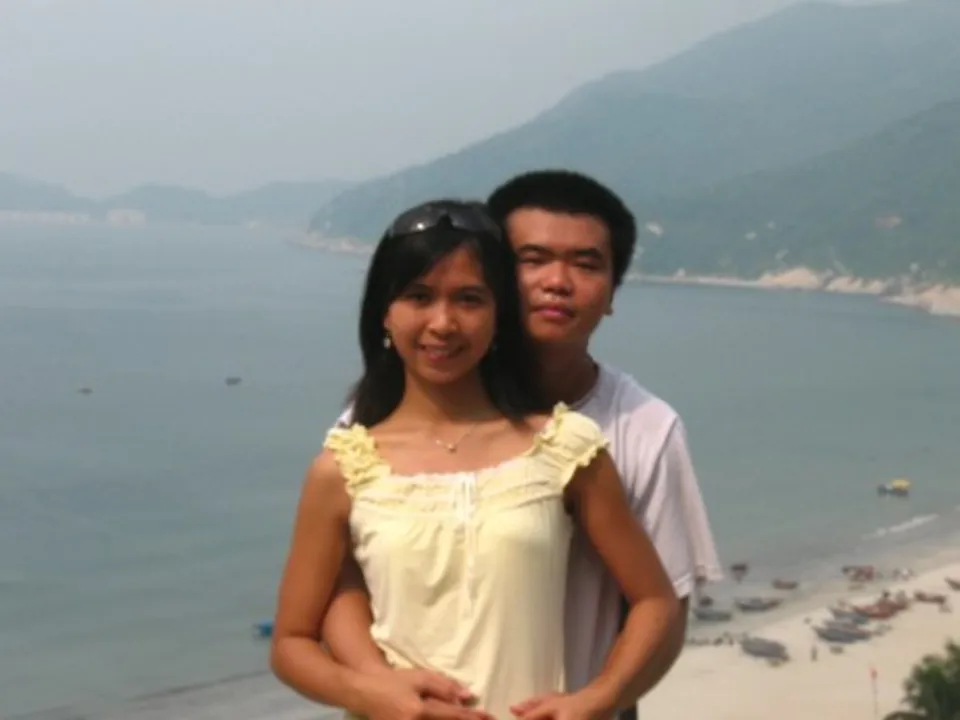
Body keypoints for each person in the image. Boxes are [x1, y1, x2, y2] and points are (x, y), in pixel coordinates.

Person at [320, 174, 723, 720]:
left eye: (586, 264)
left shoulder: (644, 429)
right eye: (531, 260)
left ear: (612, 293)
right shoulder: (381, 423)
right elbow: (339, 583)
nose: (557, 282)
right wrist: (377, 685)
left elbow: (664, 606)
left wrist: (599, 701)